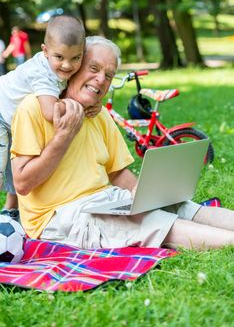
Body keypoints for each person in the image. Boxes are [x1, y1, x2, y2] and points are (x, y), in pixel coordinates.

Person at [11, 36, 234, 250]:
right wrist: (64, 136)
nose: (101, 79)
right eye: (94, 68)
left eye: (109, 75)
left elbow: (117, 174)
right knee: (151, 222)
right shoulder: (33, 108)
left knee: (183, 207)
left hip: (105, 200)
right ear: (75, 66)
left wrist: (141, 193)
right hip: (58, 216)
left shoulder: (99, 115)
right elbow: (22, 183)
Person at [0, 15, 88, 220]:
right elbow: (50, 112)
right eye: (60, 57)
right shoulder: (42, 73)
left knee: (20, 159)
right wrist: (76, 106)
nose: (67, 65)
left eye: (76, 58)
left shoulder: (57, 66)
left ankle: (12, 209)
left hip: (12, 117)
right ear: (45, 51)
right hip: (1, 112)